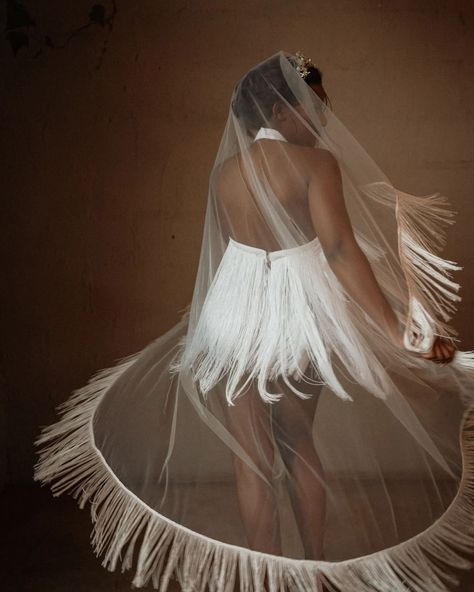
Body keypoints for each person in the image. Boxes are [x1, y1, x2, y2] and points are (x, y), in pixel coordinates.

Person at [34, 51, 474, 592]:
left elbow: (229, 253)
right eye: (316, 106)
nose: (325, 118)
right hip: (294, 319)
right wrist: (394, 326)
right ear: (281, 111)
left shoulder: (226, 172)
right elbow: (337, 249)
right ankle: (311, 567)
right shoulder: (316, 166)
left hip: (234, 316)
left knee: (250, 458)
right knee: (299, 444)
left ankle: (267, 578)